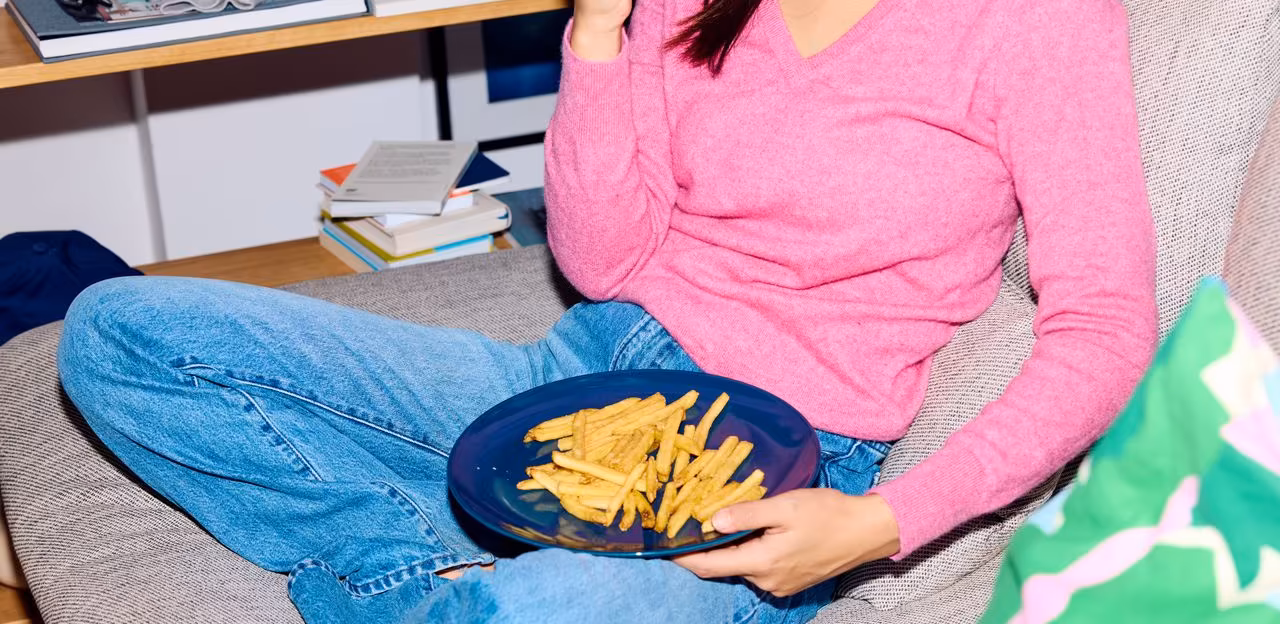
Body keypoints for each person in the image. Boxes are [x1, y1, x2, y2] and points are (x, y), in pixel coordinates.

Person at [55, 0, 1157, 618]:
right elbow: (602, 261)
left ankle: (456, 576)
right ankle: (404, 569)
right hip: (580, 380)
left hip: (774, 462)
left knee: (560, 611)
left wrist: (881, 525)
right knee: (116, 332)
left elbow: (1106, 326)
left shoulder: (1036, 19)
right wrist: (597, 32)